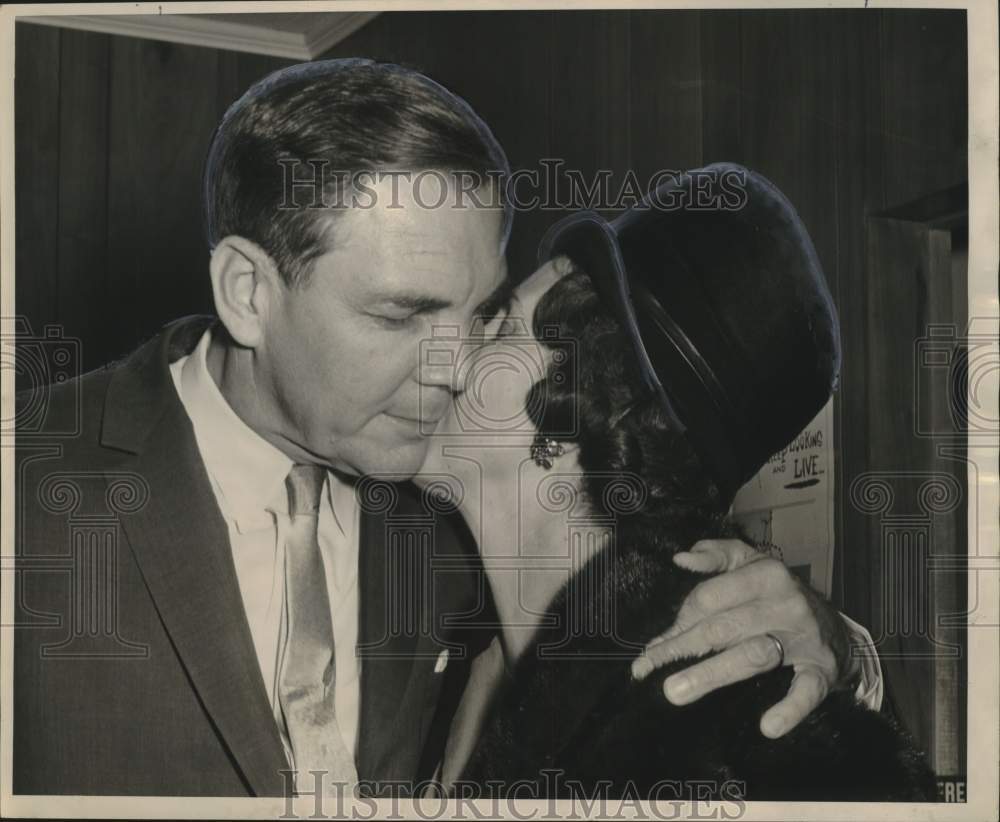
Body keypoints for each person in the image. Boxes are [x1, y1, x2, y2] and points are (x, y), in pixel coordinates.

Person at [13, 59, 878, 798]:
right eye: (401, 314)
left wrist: (836, 644)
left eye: (486, 313)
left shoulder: (438, 500)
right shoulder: (31, 480)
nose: (453, 363)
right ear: (248, 293)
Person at [419, 165, 934, 799]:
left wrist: (848, 657)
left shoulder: (738, 736)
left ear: (589, 403)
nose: (445, 343)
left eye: (496, 321)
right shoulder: (442, 651)